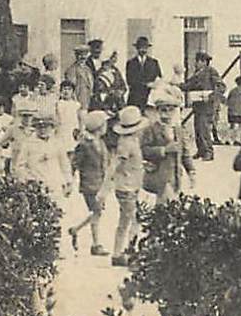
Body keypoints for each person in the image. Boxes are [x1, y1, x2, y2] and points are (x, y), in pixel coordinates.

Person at [67, 110, 111, 255]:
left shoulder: (100, 142)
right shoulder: (85, 145)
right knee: (97, 211)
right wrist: (70, 181)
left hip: (100, 182)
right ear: (99, 126)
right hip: (89, 183)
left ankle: (76, 229)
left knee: (97, 212)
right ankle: (96, 244)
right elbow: (74, 163)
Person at [109, 106, 148, 265]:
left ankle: (119, 252)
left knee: (127, 220)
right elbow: (117, 163)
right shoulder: (126, 143)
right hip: (126, 187)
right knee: (132, 220)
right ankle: (127, 252)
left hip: (131, 184)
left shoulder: (132, 141)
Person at [140, 88, 195, 203]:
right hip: (159, 176)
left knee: (174, 207)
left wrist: (191, 172)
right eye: (163, 110)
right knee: (164, 208)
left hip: (176, 178)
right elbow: (144, 150)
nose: (167, 114)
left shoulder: (179, 130)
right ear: (158, 112)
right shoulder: (151, 129)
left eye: (171, 110)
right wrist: (163, 150)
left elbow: (185, 153)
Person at [183, 51, 221, 161]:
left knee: (204, 129)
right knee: (198, 129)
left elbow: (220, 86)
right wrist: (177, 86)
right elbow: (189, 85)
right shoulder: (197, 73)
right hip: (197, 105)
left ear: (204, 62)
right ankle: (201, 150)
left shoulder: (211, 71)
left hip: (207, 106)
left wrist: (211, 96)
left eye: (198, 61)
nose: (196, 63)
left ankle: (209, 152)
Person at [126, 38, 163, 109]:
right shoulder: (131, 63)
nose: (143, 50)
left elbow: (159, 77)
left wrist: (155, 84)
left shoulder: (154, 62)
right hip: (135, 97)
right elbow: (130, 81)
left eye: (145, 48)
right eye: (141, 47)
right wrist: (146, 85)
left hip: (150, 98)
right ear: (137, 48)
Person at [70, 44, 97, 111]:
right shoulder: (72, 69)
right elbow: (72, 86)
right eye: (80, 55)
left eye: (85, 55)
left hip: (88, 99)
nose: (82, 57)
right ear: (76, 56)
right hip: (79, 98)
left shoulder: (88, 69)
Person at [225, 76, 241, 145]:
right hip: (239, 112)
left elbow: (227, 100)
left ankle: (228, 139)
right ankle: (237, 139)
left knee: (232, 125)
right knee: (240, 126)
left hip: (231, 111)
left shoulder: (232, 91)